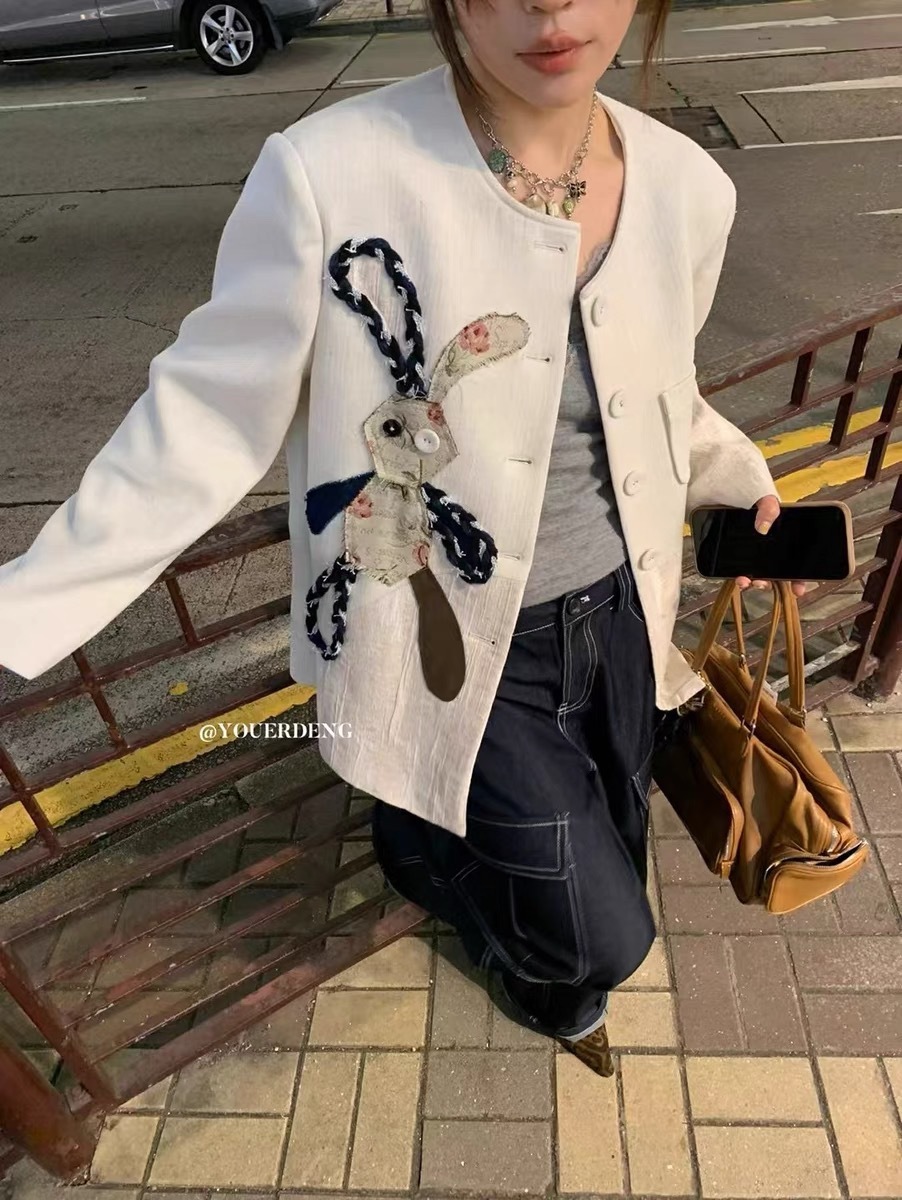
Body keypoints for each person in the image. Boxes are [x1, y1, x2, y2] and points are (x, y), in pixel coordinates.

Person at [0, 0, 805, 1075]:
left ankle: (485, 915)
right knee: (606, 932)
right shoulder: (331, 172)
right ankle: (473, 909)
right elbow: (203, 422)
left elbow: (663, 390)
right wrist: (19, 612)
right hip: (447, 637)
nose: (550, 6)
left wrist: (740, 485)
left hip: (620, 613)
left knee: (613, 839)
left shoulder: (686, 184)